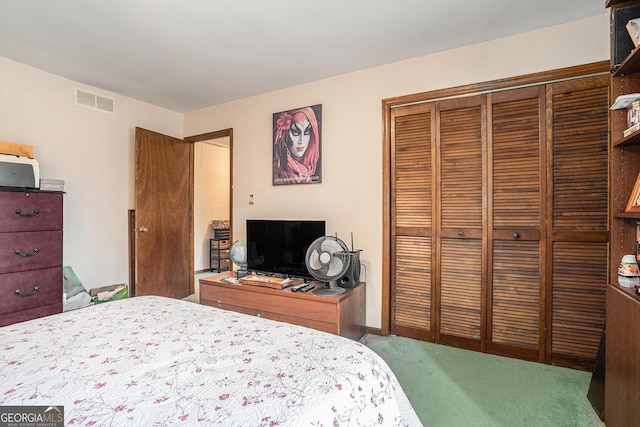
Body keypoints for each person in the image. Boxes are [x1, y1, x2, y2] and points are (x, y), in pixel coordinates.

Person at [273, 105, 321, 184]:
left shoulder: (310, 171)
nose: (301, 141)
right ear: (285, 135)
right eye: (295, 132)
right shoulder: (278, 170)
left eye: (306, 132)